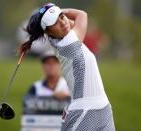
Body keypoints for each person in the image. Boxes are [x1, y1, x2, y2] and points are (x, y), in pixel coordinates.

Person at [19, 3, 115, 131]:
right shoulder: (68, 43)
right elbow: (81, 15)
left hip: (103, 107)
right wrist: (59, 10)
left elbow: (69, 22)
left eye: (61, 17)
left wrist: (52, 13)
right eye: (54, 23)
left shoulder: (64, 37)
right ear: (48, 32)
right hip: (83, 111)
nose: (62, 22)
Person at [23, 50, 70, 114]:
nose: (51, 66)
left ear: (60, 65)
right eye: (48, 63)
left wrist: (68, 96)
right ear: (43, 66)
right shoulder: (35, 87)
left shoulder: (69, 86)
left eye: (55, 62)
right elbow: (28, 111)